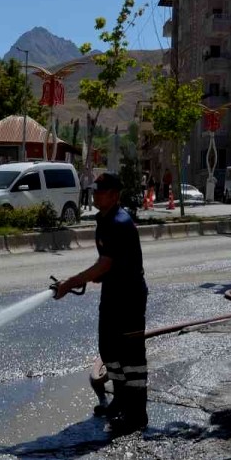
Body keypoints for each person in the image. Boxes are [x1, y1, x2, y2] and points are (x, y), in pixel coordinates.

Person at [54, 172, 149, 435]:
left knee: (132, 359)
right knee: (109, 350)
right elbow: (109, 264)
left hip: (129, 298)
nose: (95, 195)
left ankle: (136, 414)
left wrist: (71, 282)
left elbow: (105, 263)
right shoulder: (105, 220)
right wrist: (92, 278)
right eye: (94, 191)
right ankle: (120, 400)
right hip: (113, 294)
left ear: (115, 195)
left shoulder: (119, 222)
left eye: (101, 191)